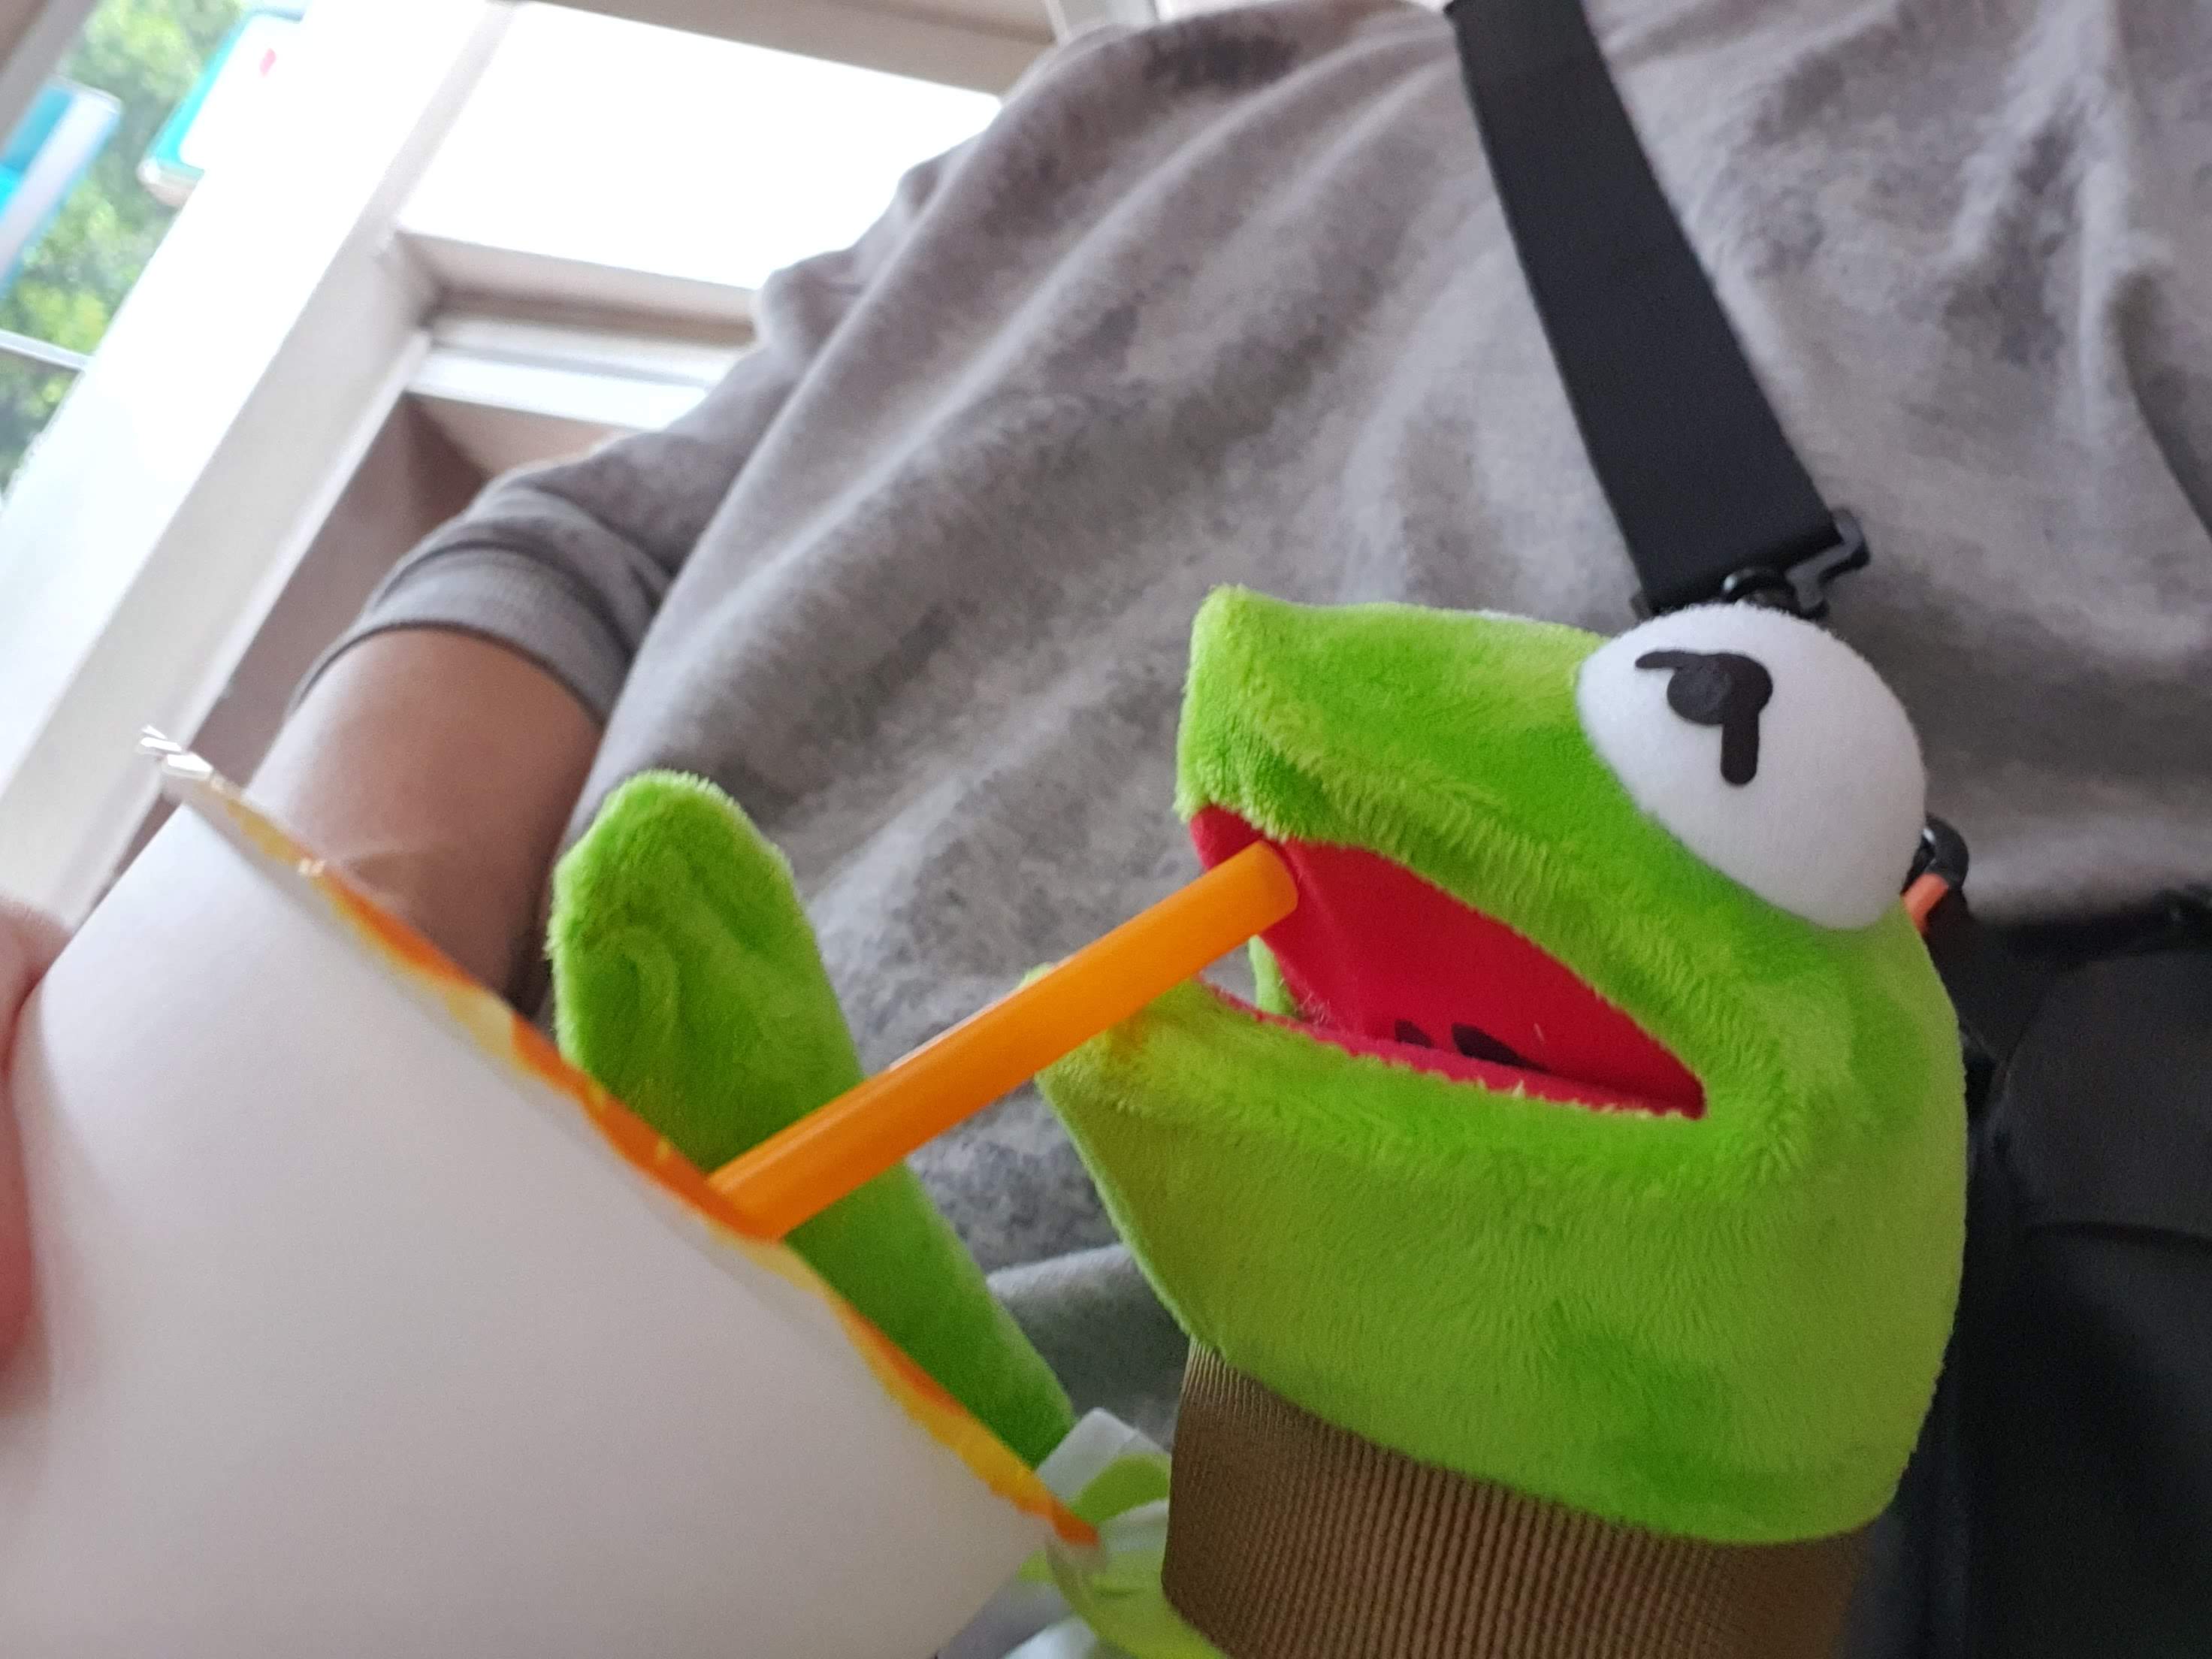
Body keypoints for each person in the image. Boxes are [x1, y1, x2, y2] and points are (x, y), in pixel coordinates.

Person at [2, 0, 2207, 1646]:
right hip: (292, 1395)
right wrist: (298, 1019)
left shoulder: (2122, 87)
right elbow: (575, 554)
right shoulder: (1106, 109)